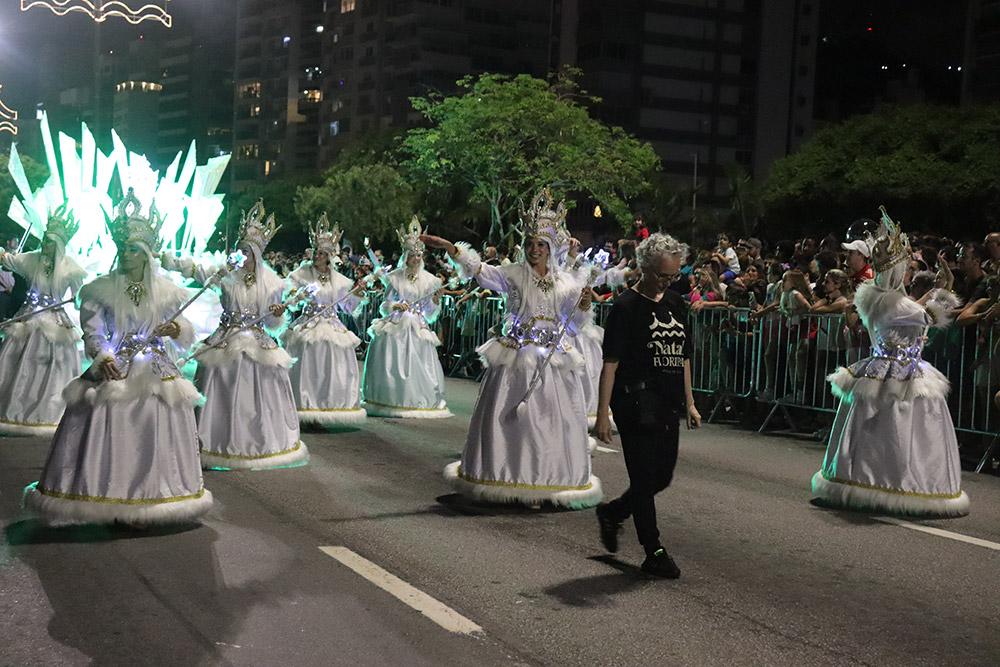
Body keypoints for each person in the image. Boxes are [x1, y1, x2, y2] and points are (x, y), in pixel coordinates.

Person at [23, 189, 212, 526]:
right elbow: (93, 333)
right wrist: (102, 357)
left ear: (145, 255)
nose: (125, 254)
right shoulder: (101, 289)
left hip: (157, 369)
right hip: (116, 368)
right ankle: (108, 497)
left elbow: (183, 324)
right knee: (110, 429)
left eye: (133, 250)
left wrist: (174, 328)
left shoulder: (167, 291)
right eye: (122, 248)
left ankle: (151, 500)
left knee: (155, 434)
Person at [425, 189, 602, 508]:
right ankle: (508, 475)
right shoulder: (512, 274)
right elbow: (481, 272)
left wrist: (584, 306)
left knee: (550, 420)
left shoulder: (567, 284)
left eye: (541, 245)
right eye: (530, 244)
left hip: (551, 361)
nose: (534, 250)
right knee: (512, 420)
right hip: (516, 357)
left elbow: (573, 326)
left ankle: (547, 479)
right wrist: (453, 249)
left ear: (550, 249)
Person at [813, 208, 969, 517]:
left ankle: (862, 481)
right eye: (906, 269)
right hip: (902, 373)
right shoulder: (896, 304)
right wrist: (947, 287)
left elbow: (913, 309)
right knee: (900, 434)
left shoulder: (877, 297)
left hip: (884, 368)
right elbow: (932, 316)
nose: (909, 273)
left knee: (874, 429)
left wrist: (936, 290)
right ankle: (896, 484)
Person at [162, 200, 307, 470]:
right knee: (221, 386)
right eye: (239, 250)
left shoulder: (272, 281)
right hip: (226, 338)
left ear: (257, 255)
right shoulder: (226, 274)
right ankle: (214, 441)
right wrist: (168, 260)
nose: (242, 255)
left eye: (247, 251)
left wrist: (276, 313)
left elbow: (275, 322)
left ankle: (258, 442)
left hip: (258, 341)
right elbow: (195, 269)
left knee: (259, 392)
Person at [593, 232, 701, 578]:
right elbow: (609, 363)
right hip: (634, 400)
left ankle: (614, 512)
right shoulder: (625, 307)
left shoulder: (675, 303)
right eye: (661, 275)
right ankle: (653, 549)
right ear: (644, 268)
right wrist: (603, 415)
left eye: (673, 276)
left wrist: (690, 401)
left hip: (667, 400)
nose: (667, 282)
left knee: (661, 476)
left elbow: (683, 356)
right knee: (642, 477)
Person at [0, 206, 88, 435]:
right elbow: (8, 260)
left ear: (58, 245)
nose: (44, 245)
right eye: (44, 240)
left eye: (49, 242)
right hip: (28, 316)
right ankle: (13, 411)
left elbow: (77, 299)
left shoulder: (71, 269)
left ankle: (49, 412)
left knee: (52, 365)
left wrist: (76, 300)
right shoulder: (31, 260)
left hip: (56, 319)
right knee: (18, 361)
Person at [361, 216, 452, 418]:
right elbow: (384, 305)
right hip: (396, 323)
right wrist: (395, 305)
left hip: (417, 326)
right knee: (392, 361)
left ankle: (418, 399)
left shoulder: (431, 281)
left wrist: (436, 300)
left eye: (419, 256)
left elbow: (429, 313)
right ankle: (390, 399)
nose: (416, 259)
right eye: (412, 255)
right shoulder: (394, 277)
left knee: (419, 363)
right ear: (406, 255)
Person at [284, 214, 368, 425]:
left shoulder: (339, 280)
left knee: (333, 362)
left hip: (331, 324)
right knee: (306, 356)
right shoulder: (300, 274)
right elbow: (290, 299)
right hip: (308, 323)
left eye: (321, 253)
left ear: (329, 257)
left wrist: (357, 293)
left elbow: (347, 308)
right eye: (315, 252)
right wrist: (298, 294)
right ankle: (304, 404)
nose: (316, 256)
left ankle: (327, 405)